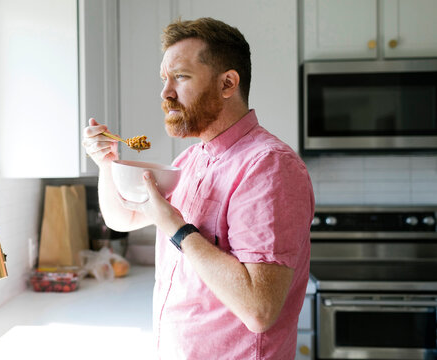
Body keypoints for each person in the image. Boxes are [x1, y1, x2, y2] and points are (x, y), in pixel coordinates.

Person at [82, 17, 314, 360]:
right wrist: (106, 163)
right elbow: (122, 218)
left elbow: (259, 309)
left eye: (181, 77)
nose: (166, 93)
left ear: (227, 83)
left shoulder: (269, 166)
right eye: (164, 79)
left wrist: (175, 227)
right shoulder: (192, 159)